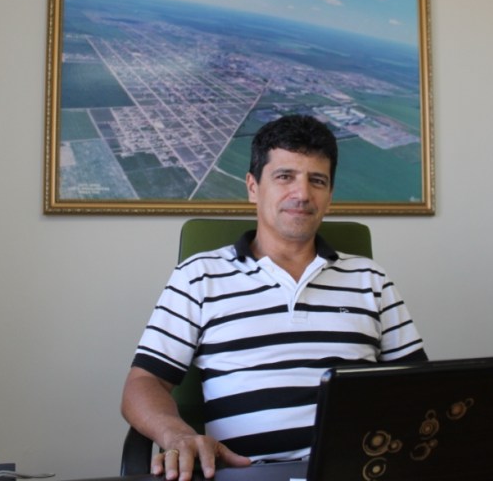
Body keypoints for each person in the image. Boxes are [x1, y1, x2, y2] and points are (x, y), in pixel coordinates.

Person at [121, 114, 427, 481]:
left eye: (317, 181)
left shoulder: (370, 278)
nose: (302, 194)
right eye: (285, 177)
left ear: (330, 196)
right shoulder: (199, 276)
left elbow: (419, 388)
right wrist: (177, 435)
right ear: (253, 187)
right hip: (250, 473)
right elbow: (144, 383)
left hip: (358, 469)